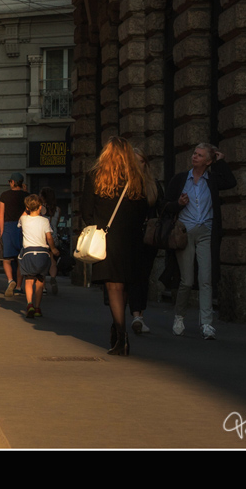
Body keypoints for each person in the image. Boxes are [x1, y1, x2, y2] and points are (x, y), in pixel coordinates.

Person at [80, 136, 149, 355]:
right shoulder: (135, 177)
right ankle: (117, 327)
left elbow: (86, 212)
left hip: (106, 239)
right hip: (130, 240)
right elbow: (143, 211)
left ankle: (121, 336)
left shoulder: (94, 176)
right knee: (124, 285)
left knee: (112, 286)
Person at [165, 142, 236, 340]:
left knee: (206, 280)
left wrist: (220, 162)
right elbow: (166, 206)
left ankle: (206, 324)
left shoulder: (212, 180)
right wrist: (178, 204)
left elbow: (231, 182)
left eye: (199, 155)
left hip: (206, 232)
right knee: (187, 281)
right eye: (194, 154)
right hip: (184, 233)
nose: (194, 157)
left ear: (208, 161)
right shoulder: (180, 179)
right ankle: (179, 317)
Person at [129, 149, 163, 334]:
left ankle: (139, 314)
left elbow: (162, 209)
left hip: (149, 239)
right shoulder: (124, 185)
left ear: (146, 164)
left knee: (144, 276)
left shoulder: (154, 185)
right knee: (134, 276)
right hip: (130, 237)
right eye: (133, 162)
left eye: (140, 161)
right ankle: (136, 315)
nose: (137, 165)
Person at [19, 194, 57, 318]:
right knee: (40, 282)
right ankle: (37, 308)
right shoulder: (45, 221)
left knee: (28, 281)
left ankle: (29, 304)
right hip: (42, 253)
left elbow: (23, 215)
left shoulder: (23, 219)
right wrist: (53, 248)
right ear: (40, 207)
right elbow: (49, 237)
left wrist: (27, 209)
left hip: (28, 252)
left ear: (27, 207)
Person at [0, 173, 28, 297]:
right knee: (20, 259)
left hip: (8, 227)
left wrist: (1, 232)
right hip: (23, 227)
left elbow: (1, 214)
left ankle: (11, 280)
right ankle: (19, 287)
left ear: (12, 182)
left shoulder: (4, 195)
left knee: (7, 259)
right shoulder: (27, 196)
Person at [40, 187, 61, 296]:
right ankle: (53, 278)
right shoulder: (57, 209)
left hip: (43, 238)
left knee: (43, 262)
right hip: (54, 237)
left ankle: (43, 287)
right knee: (52, 260)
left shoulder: (41, 209)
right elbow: (56, 224)